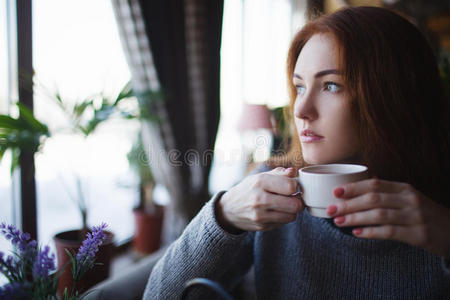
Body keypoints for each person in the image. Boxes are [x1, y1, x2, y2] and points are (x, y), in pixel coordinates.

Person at [144, 6, 450, 299]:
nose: (301, 109)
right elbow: (157, 296)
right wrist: (223, 217)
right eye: (300, 87)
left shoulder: (437, 213)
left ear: (393, 95)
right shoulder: (271, 189)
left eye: (331, 86)